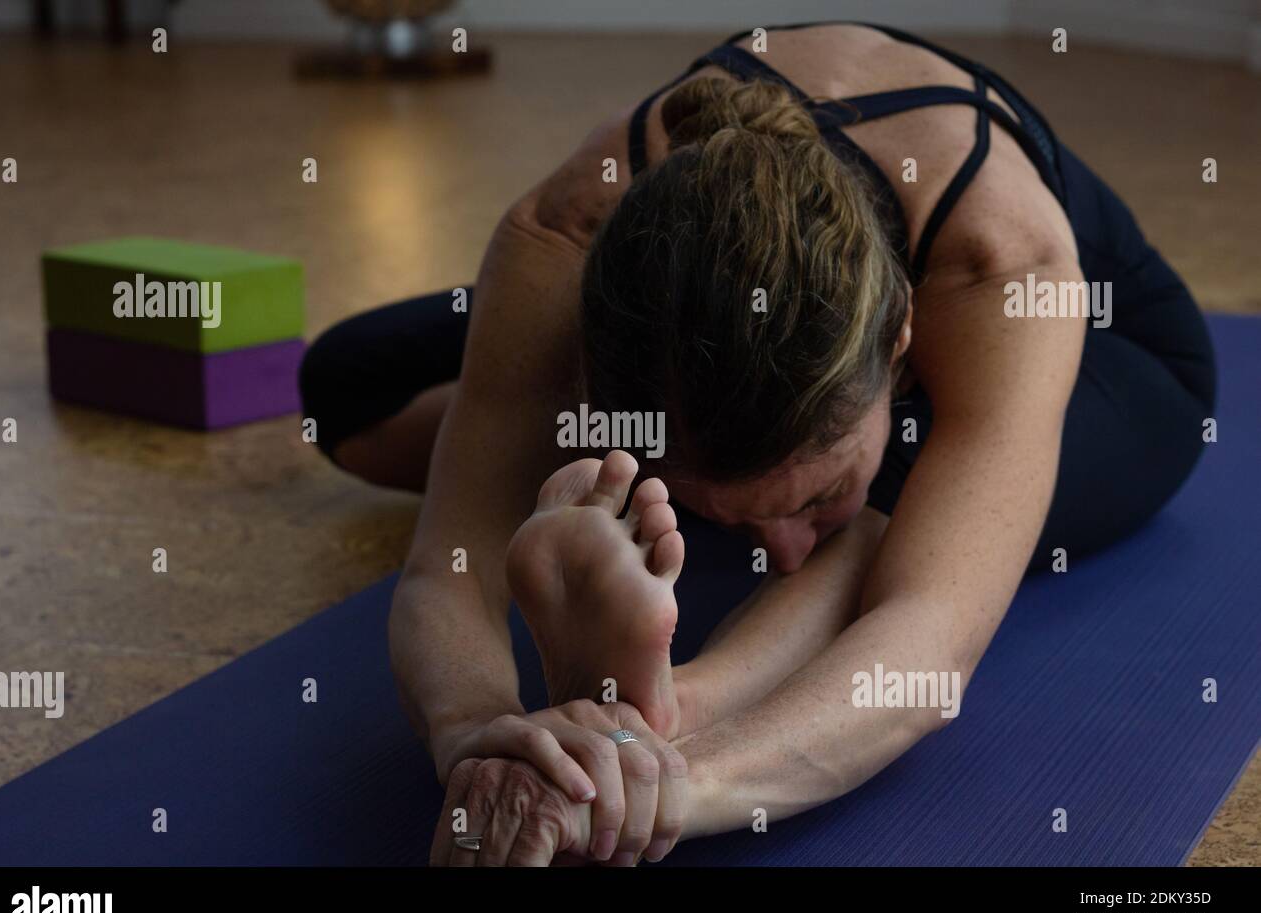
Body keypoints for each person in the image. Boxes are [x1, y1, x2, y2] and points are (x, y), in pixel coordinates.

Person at [299, 22, 1216, 866]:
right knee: (346, 384)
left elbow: (925, 647)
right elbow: (446, 566)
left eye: (813, 499)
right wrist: (479, 735)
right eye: (719, 515)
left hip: (1116, 354)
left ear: (901, 340)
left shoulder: (1003, 260)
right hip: (763, 353)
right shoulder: (567, 225)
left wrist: (637, 787)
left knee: (897, 504)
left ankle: (677, 699)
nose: (775, 553)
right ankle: (711, 489)